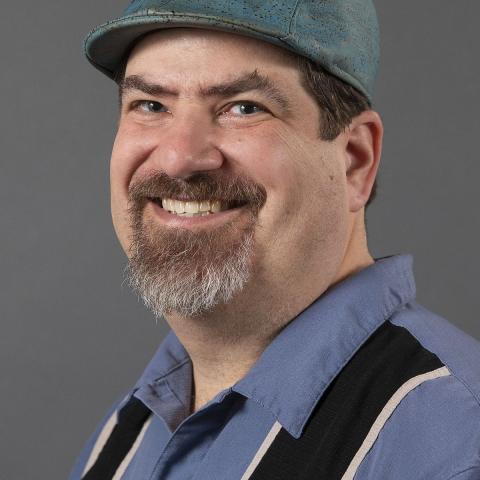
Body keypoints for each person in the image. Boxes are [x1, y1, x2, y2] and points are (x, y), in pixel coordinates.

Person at [70, 1, 480, 479]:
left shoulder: (452, 446)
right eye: (151, 105)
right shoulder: (127, 436)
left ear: (354, 160)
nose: (180, 156)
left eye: (243, 107)